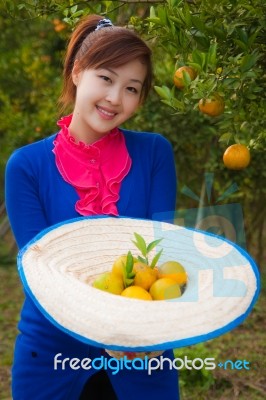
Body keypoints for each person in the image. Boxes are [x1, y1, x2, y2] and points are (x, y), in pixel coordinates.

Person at [5, 14, 179, 400]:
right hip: (51, 355)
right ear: (78, 72)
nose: (115, 98)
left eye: (131, 88)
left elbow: (162, 252)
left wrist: (151, 327)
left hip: (142, 349)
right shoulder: (27, 166)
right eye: (106, 78)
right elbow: (41, 273)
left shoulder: (154, 154)